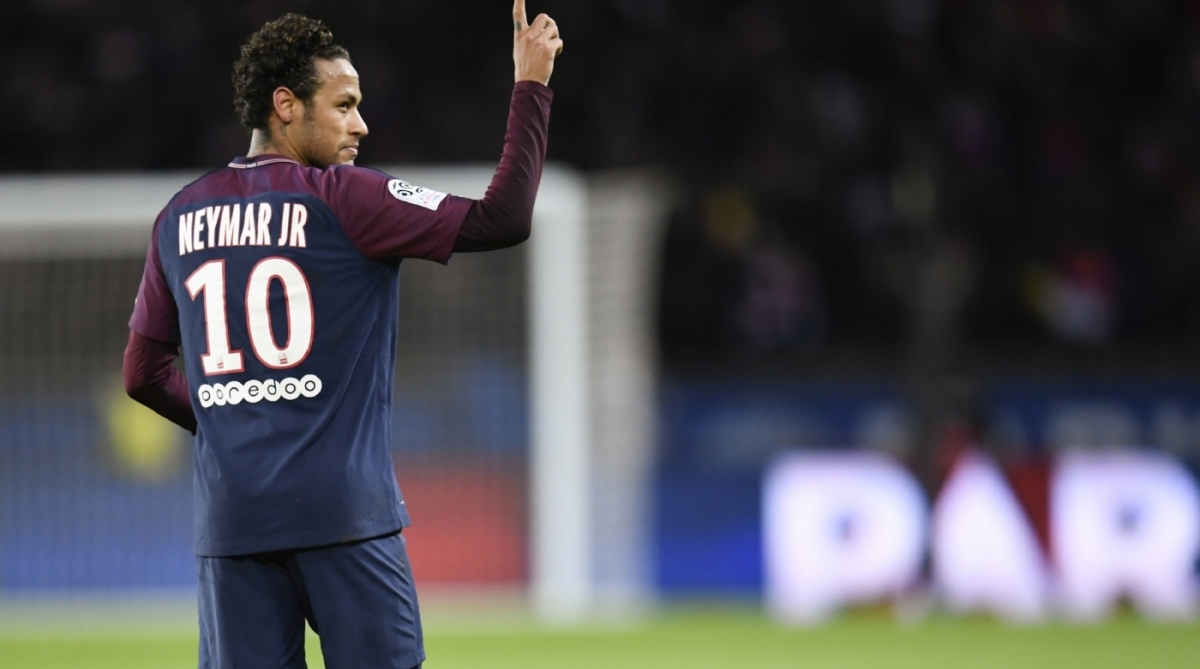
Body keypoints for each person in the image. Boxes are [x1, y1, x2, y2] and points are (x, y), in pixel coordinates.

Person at [122, 5, 562, 668]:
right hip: (342, 515)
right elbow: (502, 218)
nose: (361, 124)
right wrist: (531, 84)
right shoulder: (344, 197)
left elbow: (142, 372)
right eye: (344, 104)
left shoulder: (180, 214)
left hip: (233, 523)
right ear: (286, 105)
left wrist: (232, 415)